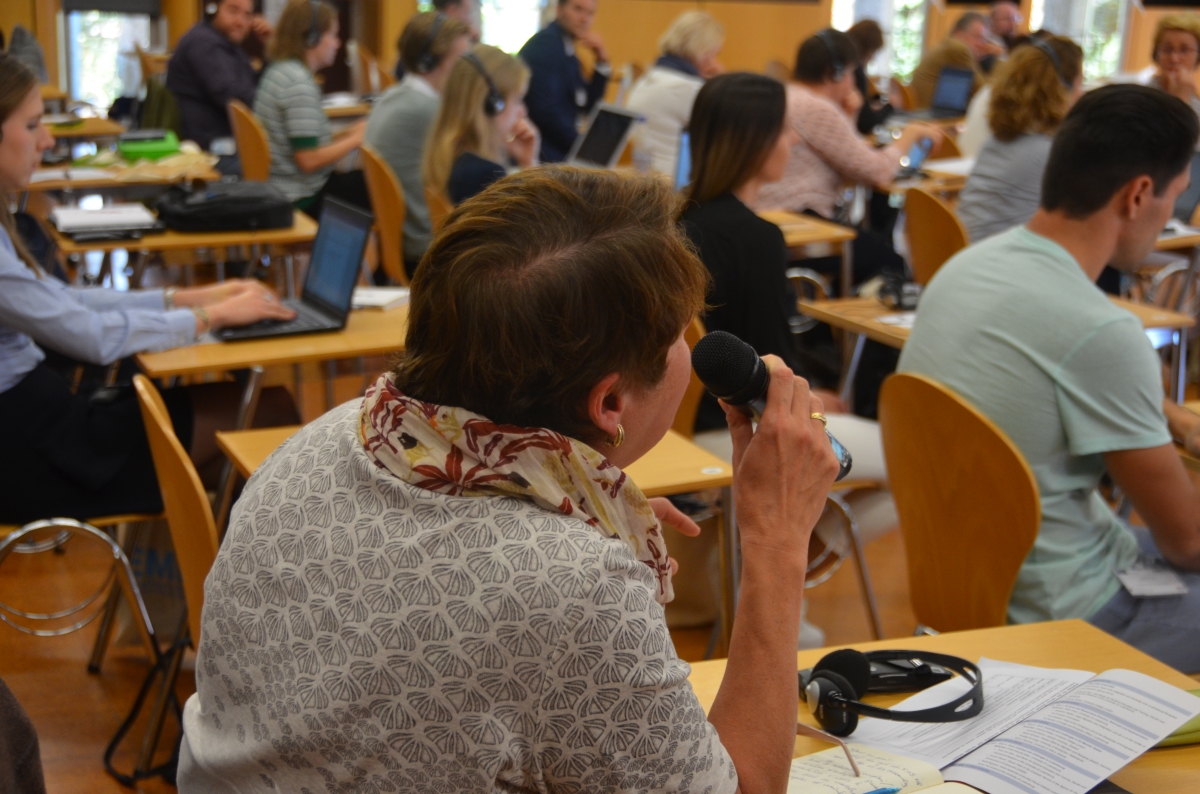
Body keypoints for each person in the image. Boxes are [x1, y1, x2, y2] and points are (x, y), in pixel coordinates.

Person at [177, 165, 842, 793]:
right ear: (610, 404)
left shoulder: (327, 436)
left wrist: (590, 526)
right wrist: (777, 542)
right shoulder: (573, 588)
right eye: (677, 333)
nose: (688, 350)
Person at [898, 84, 1200, 673]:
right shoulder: (1102, 331)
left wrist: (1165, 413)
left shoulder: (964, 269)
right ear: (1139, 195)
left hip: (968, 585)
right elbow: (1186, 541)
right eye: (1176, 196)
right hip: (1067, 620)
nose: (1172, 216)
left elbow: (1043, 376)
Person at [0, 53, 298, 524]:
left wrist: (186, 298)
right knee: (270, 409)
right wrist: (211, 317)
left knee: (241, 444)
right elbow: (92, 338)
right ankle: (230, 557)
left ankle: (218, 552)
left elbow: (64, 300)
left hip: (38, 424)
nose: (48, 139)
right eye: (33, 125)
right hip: (36, 453)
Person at [678, 72, 897, 592]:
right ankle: (778, 583)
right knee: (915, 462)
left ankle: (751, 585)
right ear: (753, 141)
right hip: (735, 427)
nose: (794, 140)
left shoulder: (673, 220)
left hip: (678, 424)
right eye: (784, 130)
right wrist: (816, 399)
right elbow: (773, 364)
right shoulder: (755, 237)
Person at [752, 29, 942, 286]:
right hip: (800, 224)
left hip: (774, 221)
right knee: (890, 262)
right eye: (853, 72)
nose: (853, 83)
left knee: (869, 245)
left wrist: (848, 116)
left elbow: (848, 159)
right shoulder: (816, 108)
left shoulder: (788, 94)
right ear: (836, 72)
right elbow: (876, 172)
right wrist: (911, 134)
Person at [365, 11, 471, 278]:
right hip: (425, 249)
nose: (466, 72)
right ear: (430, 61)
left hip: (402, 241)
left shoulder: (392, 96)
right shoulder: (428, 110)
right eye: (461, 61)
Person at [958, 36, 1083, 243]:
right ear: (1063, 91)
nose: (1081, 95)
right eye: (1080, 84)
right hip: (1002, 259)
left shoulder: (995, 143)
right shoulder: (1048, 155)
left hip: (969, 253)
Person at [254, 0, 369, 218]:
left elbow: (304, 141)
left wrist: (348, 133)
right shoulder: (298, 84)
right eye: (333, 35)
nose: (337, 43)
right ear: (311, 38)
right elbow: (308, 160)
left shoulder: (280, 70)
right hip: (303, 197)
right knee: (374, 187)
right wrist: (354, 140)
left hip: (283, 187)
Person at [423, 45, 538, 205]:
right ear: (492, 105)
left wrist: (525, 162)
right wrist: (530, 167)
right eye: (518, 100)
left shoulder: (451, 154)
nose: (523, 111)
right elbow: (539, 220)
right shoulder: (484, 174)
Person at [624, 11, 724, 175]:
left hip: (640, 178)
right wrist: (722, 81)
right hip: (671, 183)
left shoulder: (648, 78)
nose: (714, 63)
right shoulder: (688, 89)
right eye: (714, 54)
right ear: (704, 53)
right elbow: (730, 129)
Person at [167, 0, 271, 153]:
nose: (240, 22)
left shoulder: (226, 45)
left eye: (247, 15)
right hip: (209, 150)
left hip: (224, 142)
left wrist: (272, 47)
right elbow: (234, 98)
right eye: (233, 11)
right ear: (213, 9)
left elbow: (256, 85)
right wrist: (276, 107)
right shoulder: (203, 43)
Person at [518, 0, 610, 163]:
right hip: (542, 157)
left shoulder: (566, 50)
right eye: (578, 9)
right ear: (559, 10)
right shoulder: (546, 44)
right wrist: (583, 147)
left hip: (556, 155)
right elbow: (546, 112)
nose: (584, 19)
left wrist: (602, 61)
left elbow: (588, 105)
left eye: (590, 13)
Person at [909, 12, 993, 109]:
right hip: (926, 114)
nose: (982, 45)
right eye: (977, 37)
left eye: (984, 40)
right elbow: (984, 93)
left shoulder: (948, 46)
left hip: (923, 112)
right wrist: (999, 58)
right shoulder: (958, 48)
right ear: (959, 34)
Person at [393, 0, 480, 81]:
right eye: (466, 13)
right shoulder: (434, 42)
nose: (469, 20)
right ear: (452, 10)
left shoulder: (425, 33)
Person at [1149, 13, 1200, 141]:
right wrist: (1179, 102)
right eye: (1167, 50)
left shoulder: (1198, 107)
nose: (1174, 59)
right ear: (1156, 55)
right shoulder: (1140, 99)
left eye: (1184, 50)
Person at [845, 19, 894, 134]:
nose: (872, 58)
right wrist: (890, 106)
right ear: (866, 49)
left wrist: (868, 105)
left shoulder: (843, 62)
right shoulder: (855, 70)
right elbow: (865, 123)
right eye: (872, 52)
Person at [980, 0, 1023, 72]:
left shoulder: (1015, 43)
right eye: (1008, 19)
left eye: (1015, 19)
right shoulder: (984, 43)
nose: (1012, 24)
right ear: (993, 20)